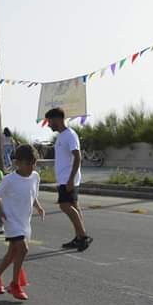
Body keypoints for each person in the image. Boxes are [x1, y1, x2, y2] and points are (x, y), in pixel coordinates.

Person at [0, 145, 45, 300]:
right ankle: (14, 284)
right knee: (23, 249)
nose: (31, 167)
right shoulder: (9, 180)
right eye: (28, 163)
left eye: (34, 163)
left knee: (12, 253)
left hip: (25, 221)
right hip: (11, 220)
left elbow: (33, 195)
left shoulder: (35, 177)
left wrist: (38, 207)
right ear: (17, 163)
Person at [47, 107, 92, 251]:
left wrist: (71, 180)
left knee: (64, 205)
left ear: (57, 120)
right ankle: (79, 237)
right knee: (74, 206)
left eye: (50, 121)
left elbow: (78, 157)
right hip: (64, 178)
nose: (48, 124)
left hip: (68, 178)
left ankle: (83, 236)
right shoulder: (61, 136)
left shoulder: (70, 135)